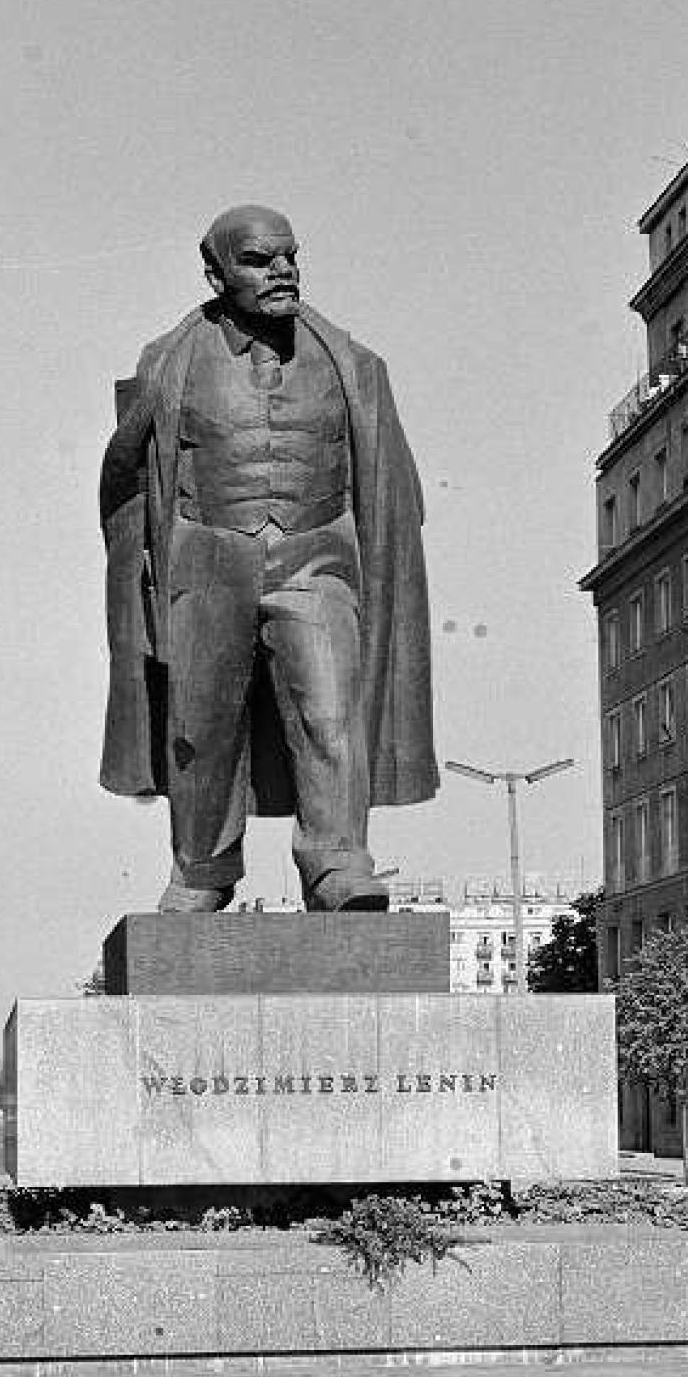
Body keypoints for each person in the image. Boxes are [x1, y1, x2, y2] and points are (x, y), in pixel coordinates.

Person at [98, 204, 436, 913]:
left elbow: (387, 486)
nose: (281, 270)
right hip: (206, 556)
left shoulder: (354, 365)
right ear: (216, 274)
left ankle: (337, 863)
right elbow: (130, 483)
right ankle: (202, 871)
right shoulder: (167, 361)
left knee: (331, 711)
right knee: (199, 728)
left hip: (317, 556)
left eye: (289, 256)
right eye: (257, 260)